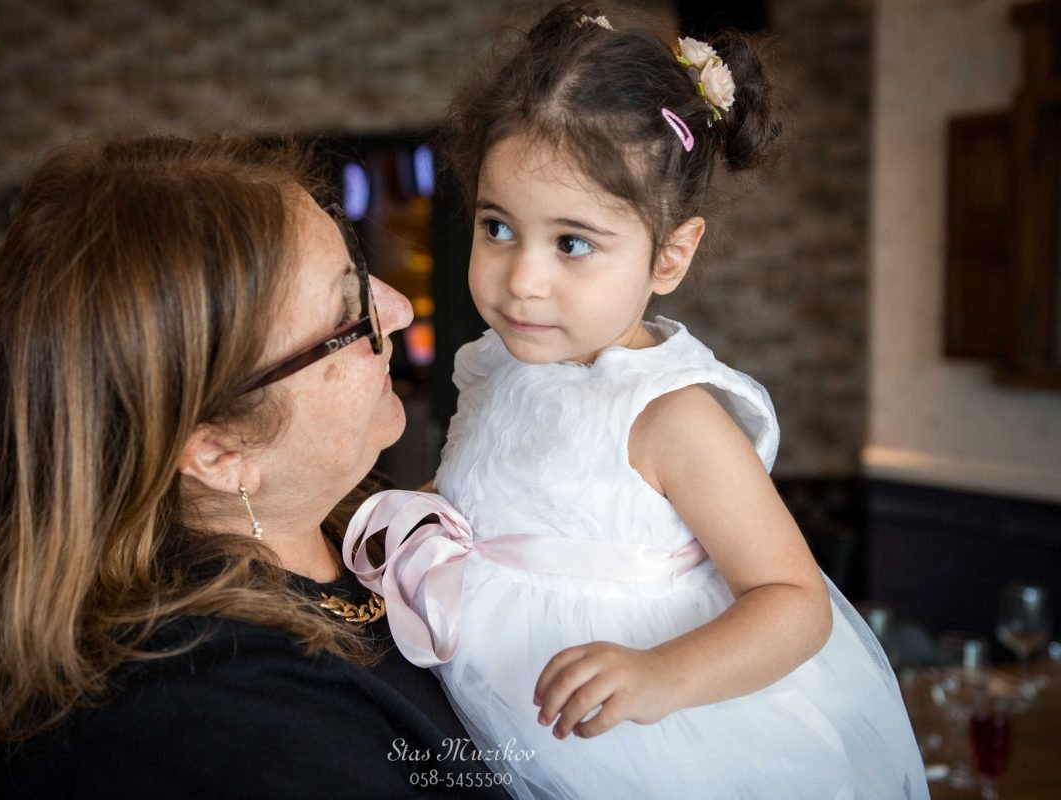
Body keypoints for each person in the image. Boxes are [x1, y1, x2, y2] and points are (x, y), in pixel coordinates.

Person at [343, 4, 929, 798]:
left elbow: (794, 602)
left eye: (572, 243)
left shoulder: (670, 416)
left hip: (640, 744)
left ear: (670, 256)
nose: (523, 280)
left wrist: (663, 674)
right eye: (498, 228)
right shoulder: (495, 365)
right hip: (488, 697)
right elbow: (492, 501)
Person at [0, 135, 511, 799]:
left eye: (359, 267)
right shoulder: (207, 716)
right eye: (348, 312)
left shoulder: (351, 533)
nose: (398, 309)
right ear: (218, 452)